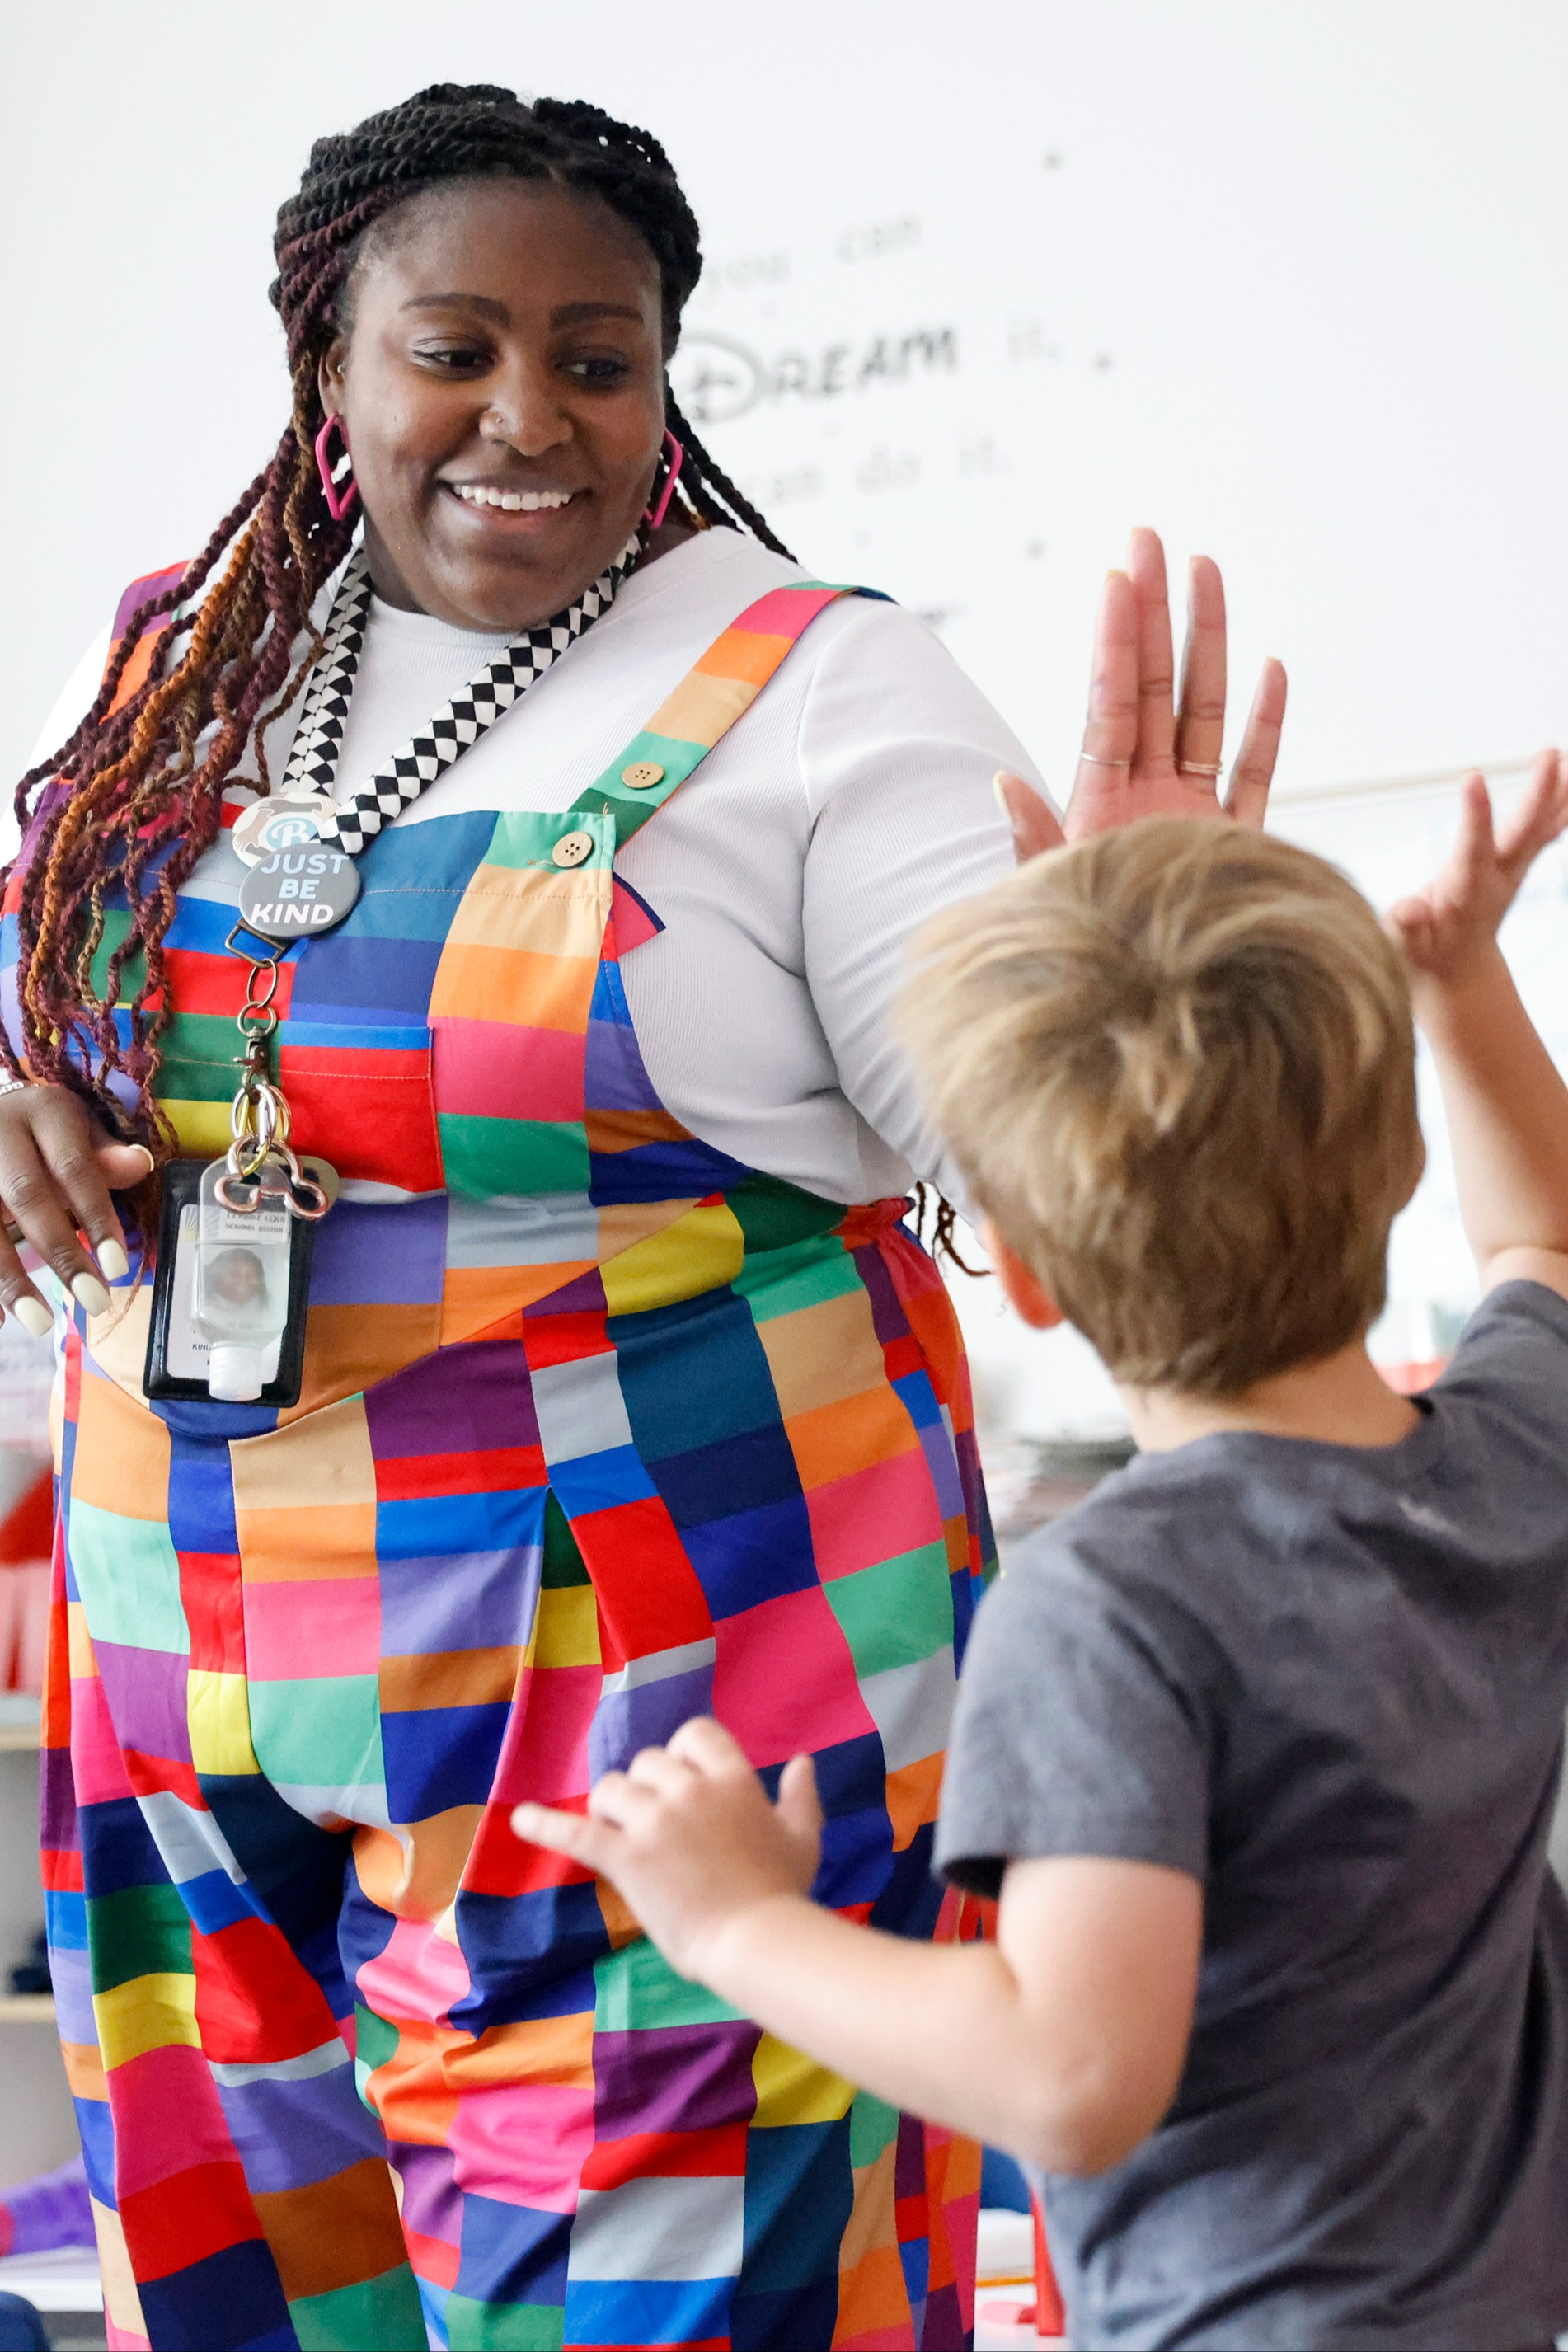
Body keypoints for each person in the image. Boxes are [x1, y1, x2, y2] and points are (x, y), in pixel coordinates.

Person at [0, 80, 1284, 2352]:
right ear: (328, 365)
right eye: (454, 349)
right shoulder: (186, 673)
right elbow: (63, 1034)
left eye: (596, 360)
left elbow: (1070, 1190)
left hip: (661, 1703)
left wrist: (1135, 960)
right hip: (184, 1684)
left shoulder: (821, 687)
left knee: (659, 2289)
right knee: (246, 2304)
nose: (530, 417)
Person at [517, 761, 1568, 2350]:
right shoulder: (1501, 1463)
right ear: (1395, 1166)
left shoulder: (1108, 1604)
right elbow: (1540, 1240)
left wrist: (739, 1924)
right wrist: (1462, 979)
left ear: (1013, 1268)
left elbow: (1070, 2075)